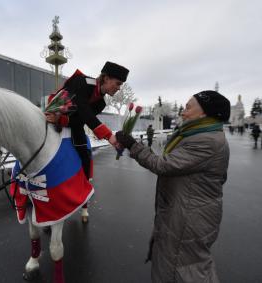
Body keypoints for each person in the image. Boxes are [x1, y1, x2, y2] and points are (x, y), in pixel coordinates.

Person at [116, 90, 230, 282]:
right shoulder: (195, 134)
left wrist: (133, 146)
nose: (183, 112)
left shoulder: (206, 141)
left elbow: (163, 165)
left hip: (190, 217)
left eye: (188, 107)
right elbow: (171, 161)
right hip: (186, 211)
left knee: (182, 268)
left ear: (204, 113)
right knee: (179, 263)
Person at [45, 61, 129, 179]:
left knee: (84, 156)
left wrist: (62, 120)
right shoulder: (82, 81)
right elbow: (84, 109)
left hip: (69, 124)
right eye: (118, 83)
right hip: (50, 116)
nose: (119, 88)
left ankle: (84, 185)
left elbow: (81, 121)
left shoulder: (101, 103)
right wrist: (109, 135)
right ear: (106, 78)